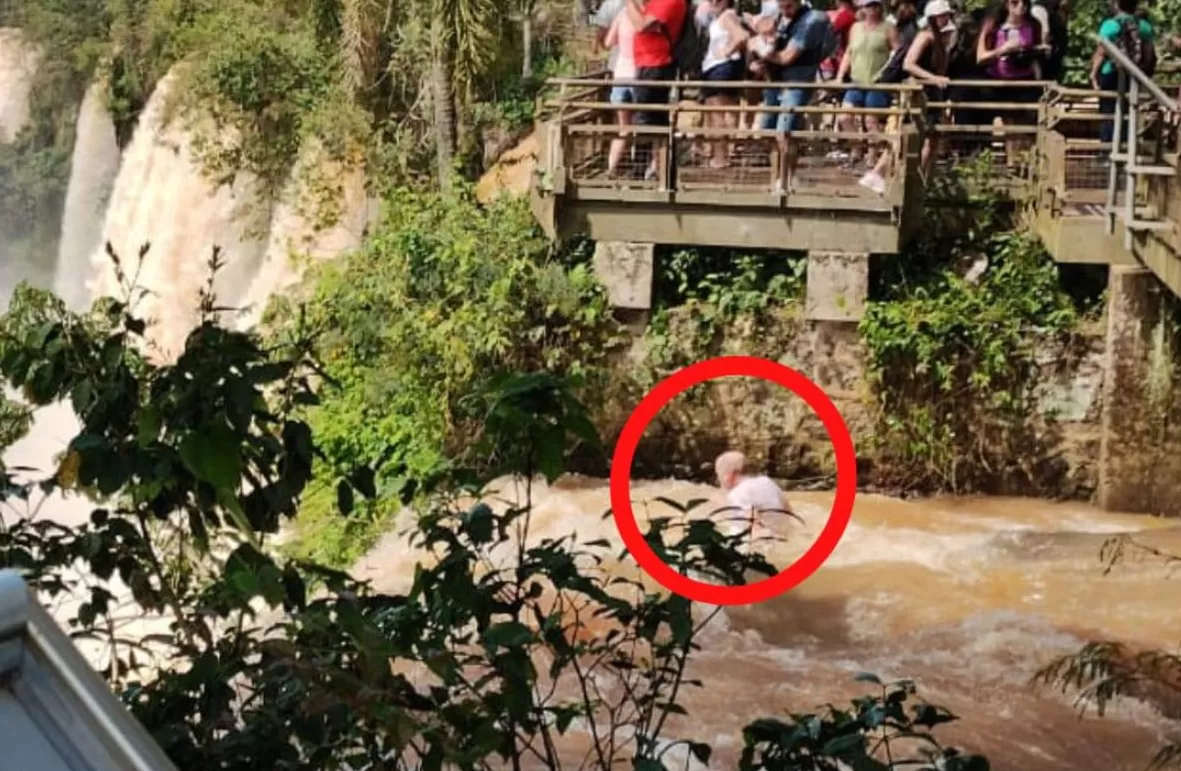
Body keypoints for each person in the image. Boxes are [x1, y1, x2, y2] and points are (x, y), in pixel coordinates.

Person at [859, 0, 955, 193]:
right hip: (920, 92)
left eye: (947, 15)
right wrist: (933, 78)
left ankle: (919, 179)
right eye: (942, 15)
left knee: (931, 137)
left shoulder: (940, 41)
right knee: (909, 136)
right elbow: (909, 64)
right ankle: (884, 174)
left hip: (931, 94)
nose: (946, 19)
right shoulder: (925, 37)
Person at [750, 0, 835, 194]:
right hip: (774, 82)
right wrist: (756, 62)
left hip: (797, 82)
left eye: (788, 6)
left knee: (785, 131)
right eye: (781, 6)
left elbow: (788, 56)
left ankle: (786, 179)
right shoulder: (775, 17)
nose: (784, 11)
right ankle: (778, 176)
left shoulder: (813, 20)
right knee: (767, 131)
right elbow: (761, 46)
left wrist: (760, 49)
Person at [624, 0, 689, 182]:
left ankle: (640, 172)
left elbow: (640, 25)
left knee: (645, 120)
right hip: (648, 64)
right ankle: (658, 172)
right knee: (652, 120)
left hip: (656, 65)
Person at [976, 0, 1044, 165]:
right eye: (1015, 2)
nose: (1020, 6)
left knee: (1024, 124)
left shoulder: (1033, 26)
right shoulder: (993, 27)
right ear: (1007, 5)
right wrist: (1002, 50)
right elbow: (980, 57)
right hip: (997, 80)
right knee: (1005, 122)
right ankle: (1006, 161)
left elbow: (1036, 56)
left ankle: (1021, 164)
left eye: (1024, 3)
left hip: (1024, 80)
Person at [836, 0, 899, 168]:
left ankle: (871, 157)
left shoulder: (888, 28)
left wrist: (887, 73)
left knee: (871, 121)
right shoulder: (855, 28)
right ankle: (856, 148)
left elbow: (897, 53)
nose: (872, 9)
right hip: (856, 80)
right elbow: (849, 51)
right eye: (868, 6)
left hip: (877, 81)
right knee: (844, 116)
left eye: (875, 5)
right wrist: (840, 75)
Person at [1091, 0, 1156, 144]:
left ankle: (1107, 149)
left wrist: (1094, 74)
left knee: (1109, 111)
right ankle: (1126, 147)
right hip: (1134, 75)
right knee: (1129, 110)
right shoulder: (1144, 26)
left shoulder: (1110, 25)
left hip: (1111, 72)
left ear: (1116, 5)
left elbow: (1101, 51)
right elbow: (1149, 53)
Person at [700, 0, 750, 168]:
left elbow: (742, 36)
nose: (713, 1)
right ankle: (724, 154)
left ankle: (720, 158)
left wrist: (725, 52)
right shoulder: (720, 17)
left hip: (720, 69)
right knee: (725, 112)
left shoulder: (727, 16)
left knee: (717, 114)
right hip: (720, 69)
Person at [714, 451, 792, 540]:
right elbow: (788, 510)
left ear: (729, 475)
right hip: (781, 532)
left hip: (767, 540)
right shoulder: (767, 482)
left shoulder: (738, 493)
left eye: (719, 474)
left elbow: (754, 527)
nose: (718, 480)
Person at [604, 2, 639, 177]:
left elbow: (608, 41)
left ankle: (612, 167)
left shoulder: (621, 15)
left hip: (620, 74)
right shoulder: (641, 16)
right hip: (638, 74)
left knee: (623, 126)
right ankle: (638, 163)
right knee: (641, 123)